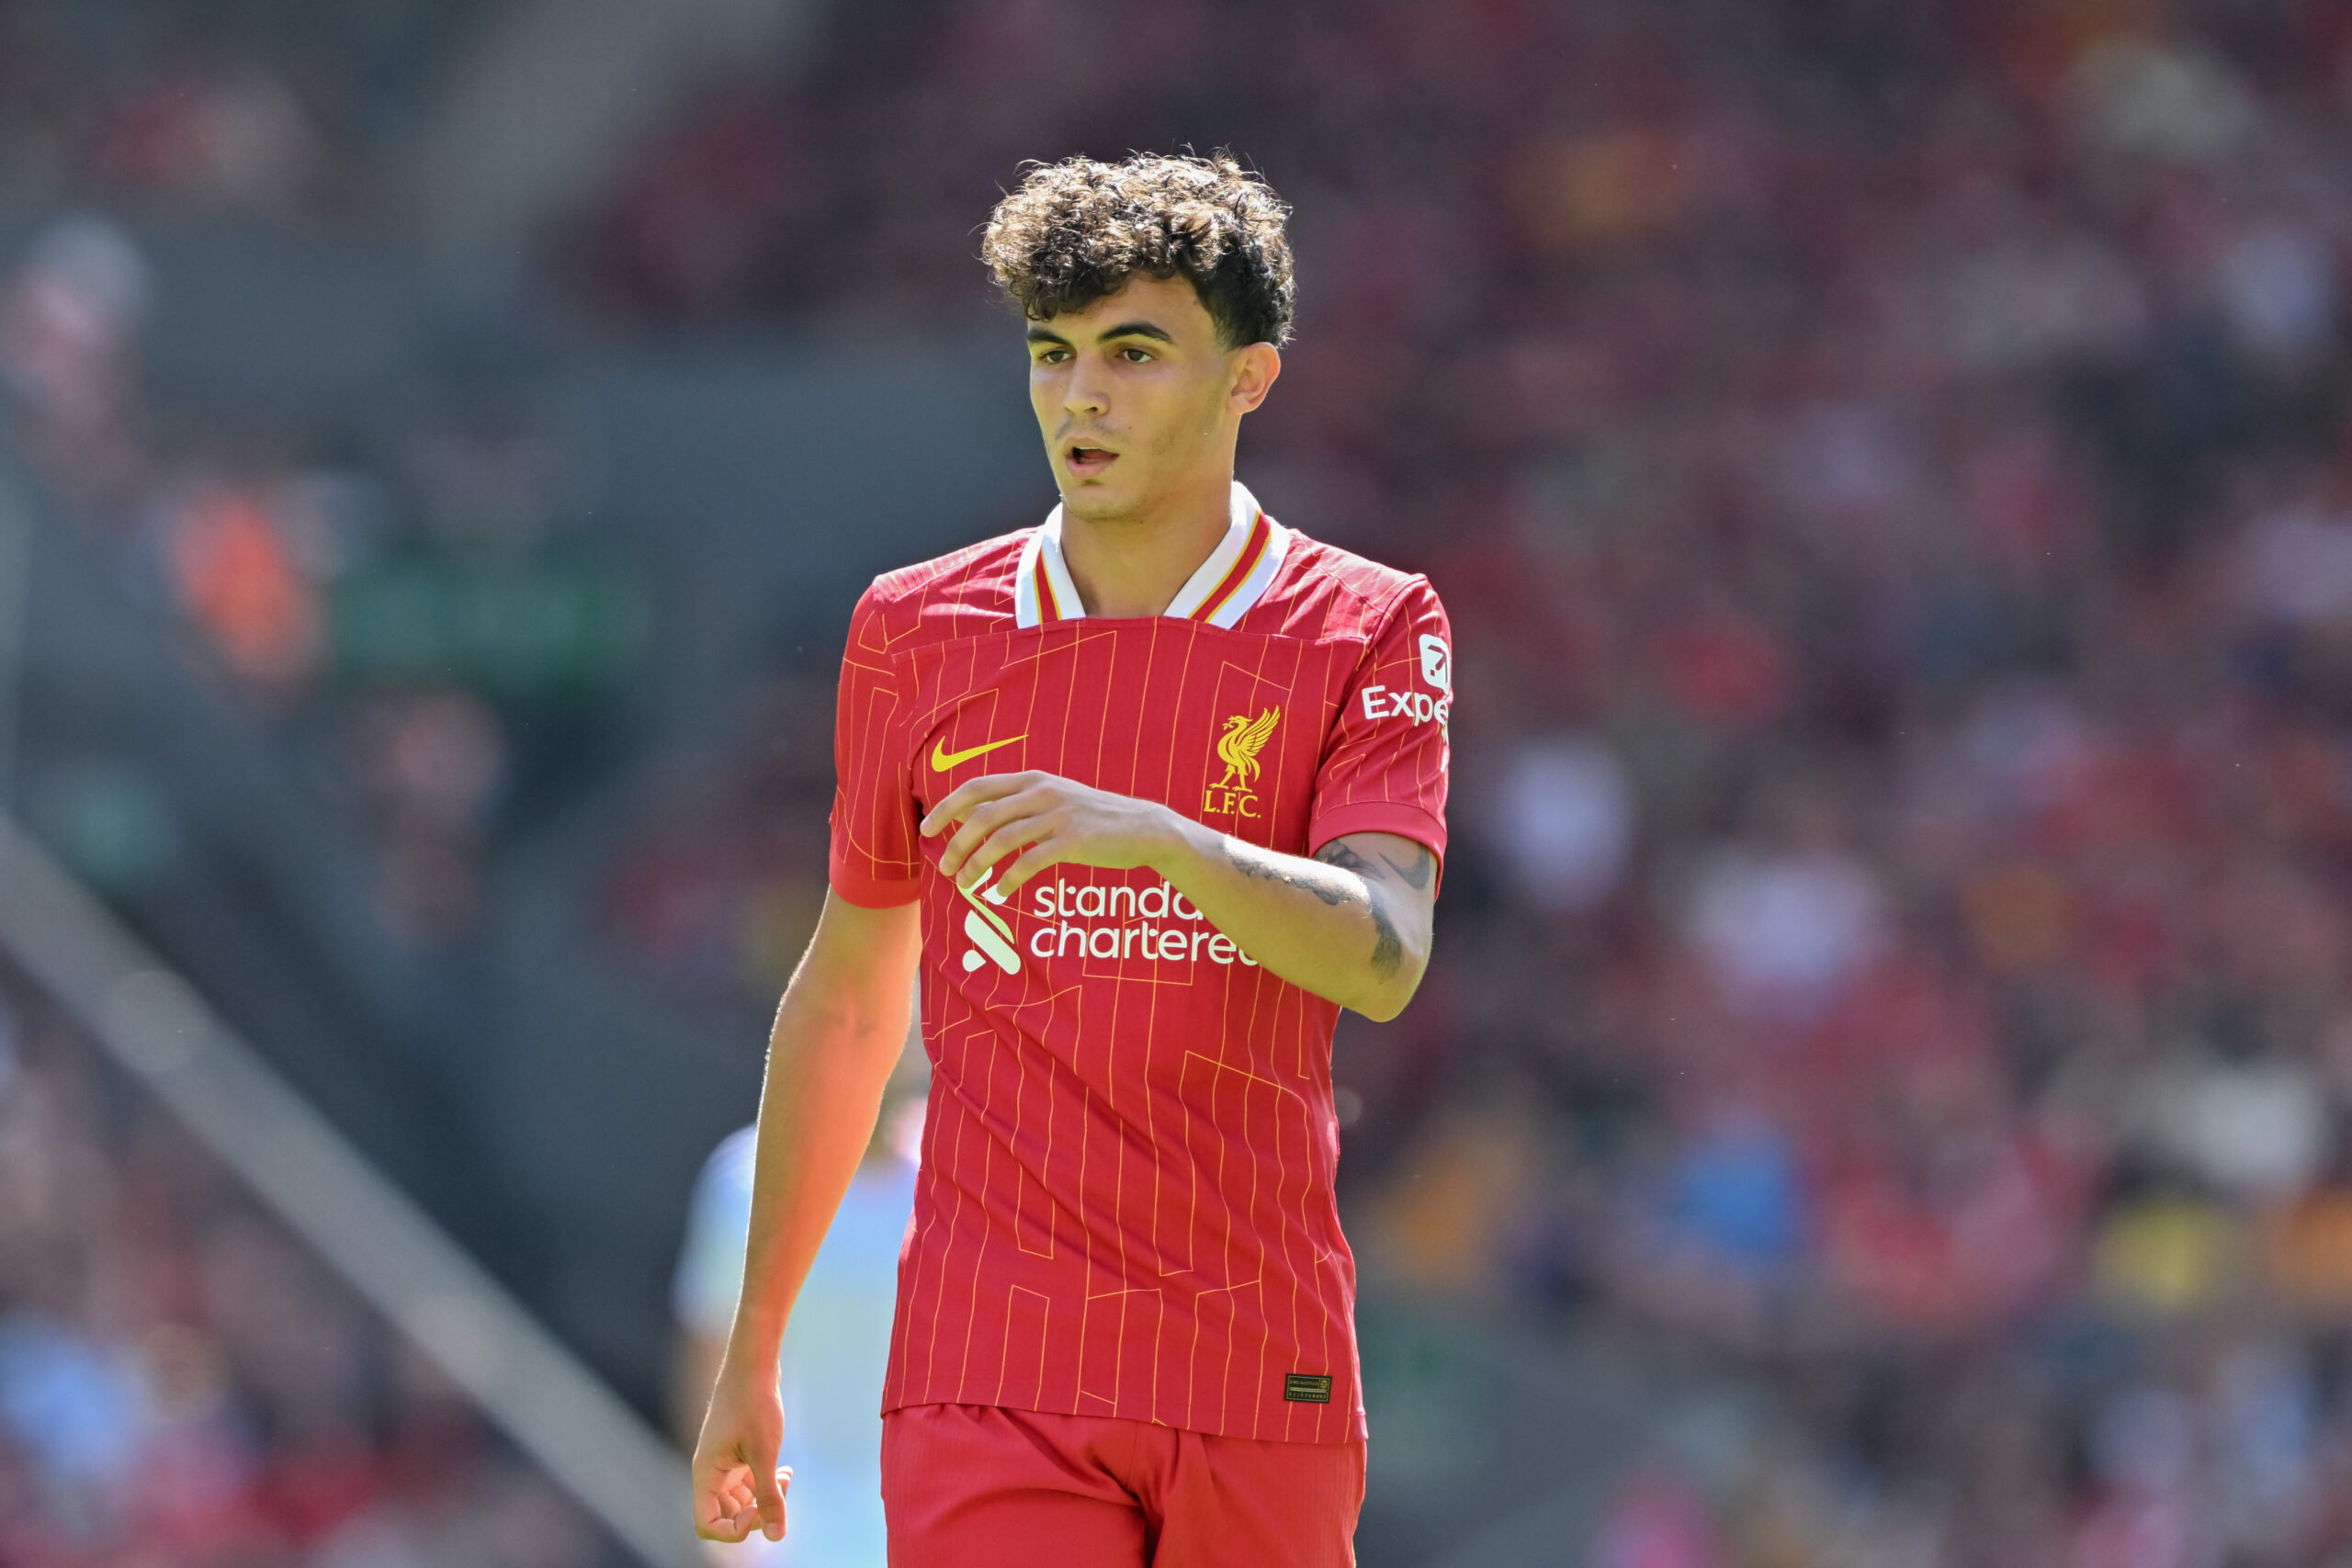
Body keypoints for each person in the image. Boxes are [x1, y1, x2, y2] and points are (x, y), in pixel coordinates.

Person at [690, 151, 1452, 1566]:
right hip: (994, 1363)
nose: (1080, 395)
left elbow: (1385, 951)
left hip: (1258, 1354)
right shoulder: (916, 627)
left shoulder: (1369, 625)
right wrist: (756, 1344)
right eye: (1053, 354)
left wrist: (1162, 838)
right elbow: (852, 997)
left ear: (1250, 377)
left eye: (1135, 352)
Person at [670, 1062, 923, 1565]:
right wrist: (734, 1547)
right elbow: (706, 1375)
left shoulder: (960, 1183)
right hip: (790, 1549)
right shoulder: (745, 1182)